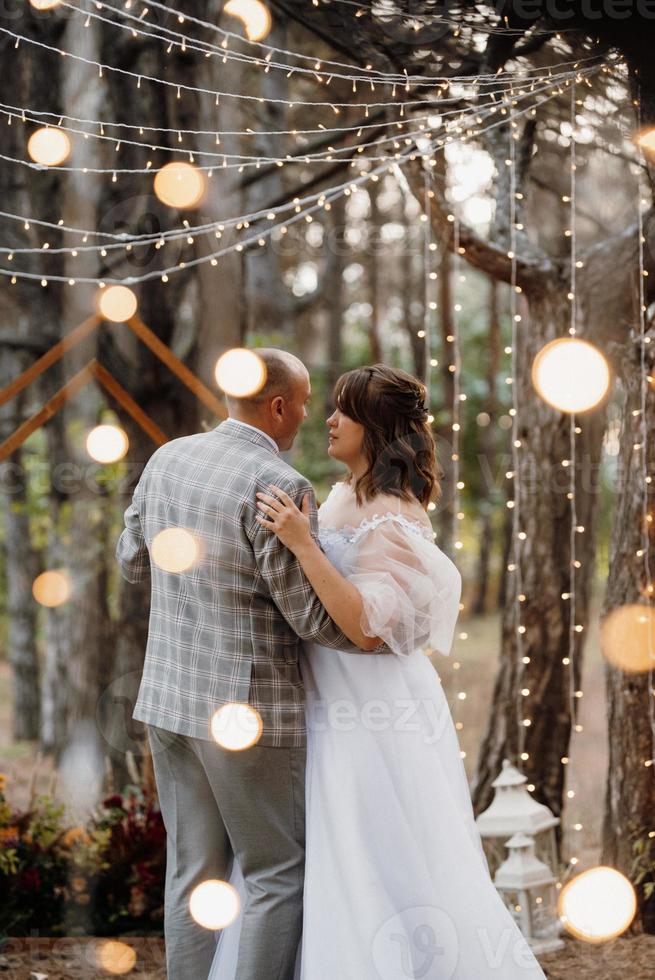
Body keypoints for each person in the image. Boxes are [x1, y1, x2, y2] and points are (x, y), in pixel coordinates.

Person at [209, 362, 547, 979]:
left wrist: (303, 544)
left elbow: (366, 625)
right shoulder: (342, 493)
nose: (329, 421)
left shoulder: (394, 514)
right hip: (323, 697)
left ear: (377, 427)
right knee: (316, 851)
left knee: (368, 848)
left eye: (344, 411)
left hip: (369, 708)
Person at [116, 348, 389, 980]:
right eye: (302, 401)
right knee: (275, 875)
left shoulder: (168, 458)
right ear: (277, 406)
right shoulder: (279, 486)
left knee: (193, 877)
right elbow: (309, 618)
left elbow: (133, 561)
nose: (307, 415)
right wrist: (377, 633)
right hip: (246, 715)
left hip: (168, 701)